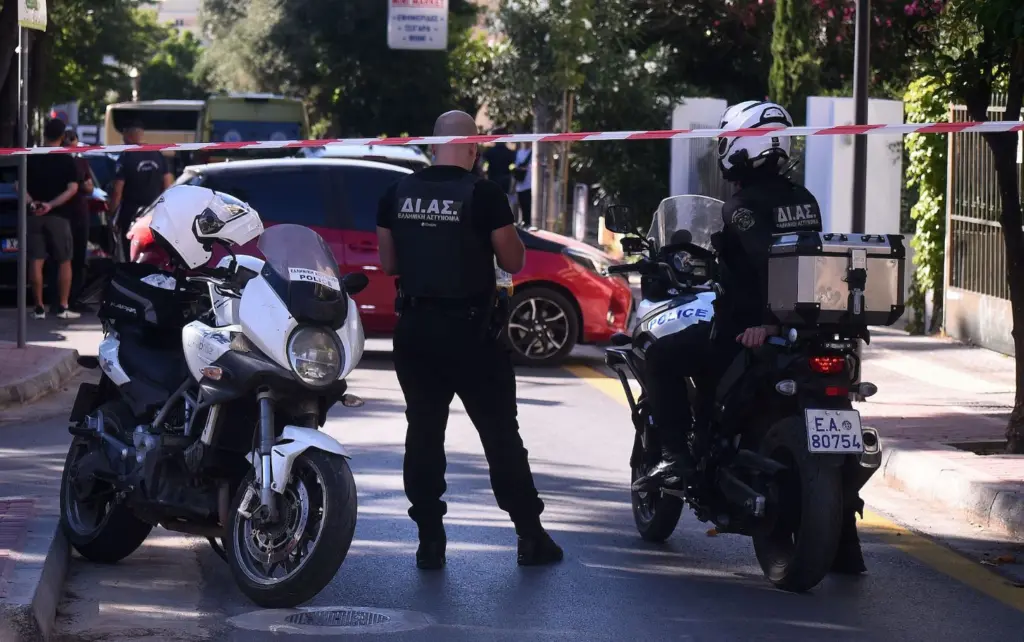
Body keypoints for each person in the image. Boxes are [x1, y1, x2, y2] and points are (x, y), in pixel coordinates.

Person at [631, 101, 866, 574]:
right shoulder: (803, 198)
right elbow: (800, 263)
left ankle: (676, 457)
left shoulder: (742, 207)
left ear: (741, 147)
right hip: (805, 329)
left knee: (661, 357)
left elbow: (766, 266)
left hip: (746, 329)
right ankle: (843, 544)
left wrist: (766, 322)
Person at [376, 110, 563, 571]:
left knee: (423, 434)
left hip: (416, 332)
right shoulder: (484, 194)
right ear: (473, 148)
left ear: (432, 144)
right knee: (500, 437)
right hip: (471, 334)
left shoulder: (395, 193)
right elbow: (514, 261)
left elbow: (389, 264)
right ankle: (530, 535)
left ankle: (429, 541)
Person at [19, 118, 82, 320]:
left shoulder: (32, 156)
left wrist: (33, 203)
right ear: (62, 137)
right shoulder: (66, 159)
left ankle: (39, 308)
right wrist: (51, 205)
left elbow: (19, 185)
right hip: (59, 216)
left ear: (44, 134)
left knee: (35, 261)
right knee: (64, 261)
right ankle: (62, 306)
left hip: (34, 215)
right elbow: (73, 188)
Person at [109, 121, 173, 259]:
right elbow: (168, 184)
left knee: (130, 252)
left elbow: (117, 190)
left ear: (128, 135)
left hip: (131, 213)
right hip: (154, 213)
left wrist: (112, 215)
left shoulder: (126, 157)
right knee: (154, 252)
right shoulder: (157, 154)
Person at [62, 127, 95, 309]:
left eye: (73, 138)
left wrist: (82, 185)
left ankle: (76, 299)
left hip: (80, 215)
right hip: (62, 215)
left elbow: (89, 187)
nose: (71, 142)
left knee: (79, 258)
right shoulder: (57, 161)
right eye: (67, 139)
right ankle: (62, 300)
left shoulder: (81, 162)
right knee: (62, 258)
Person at [482, 132, 516, 196]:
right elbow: (513, 166)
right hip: (506, 179)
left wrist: (485, 173)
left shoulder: (489, 152)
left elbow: (484, 164)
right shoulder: (510, 152)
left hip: (493, 178)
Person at [512, 141, 532, 227]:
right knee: (521, 203)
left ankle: (527, 221)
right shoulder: (519, 152)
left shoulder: (533, 152)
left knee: (528, 203)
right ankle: (523, 220)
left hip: (529, 183)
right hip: (520, 182)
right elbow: (515, 165)